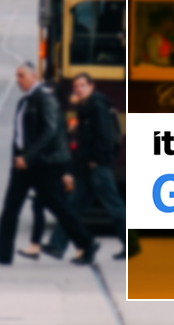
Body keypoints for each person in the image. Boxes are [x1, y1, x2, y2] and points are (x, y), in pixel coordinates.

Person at [0, 63, 99, 266]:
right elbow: (21, 135)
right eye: (16, 75)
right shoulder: (24, 101)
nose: (17, 79)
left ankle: (87, 243)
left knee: (58, 207)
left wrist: (29, 157)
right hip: (23, 165)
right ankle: (2, 254)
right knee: (10, 208)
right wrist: (19, 158)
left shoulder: (45, 98)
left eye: (21, 75)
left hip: (41, 164)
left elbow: (50, 131)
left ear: (33, 76)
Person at [36, 74, 127, 260]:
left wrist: (95, 160)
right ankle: (56, 245)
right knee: (73, 207)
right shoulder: (85, 107)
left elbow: (104, 138)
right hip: (87, 167)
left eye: (82, 85)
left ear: (91, 86)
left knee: (115, 207)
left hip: (97, 167)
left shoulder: (97, 107)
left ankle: (130, 245)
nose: (79, 89)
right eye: (76, 86)